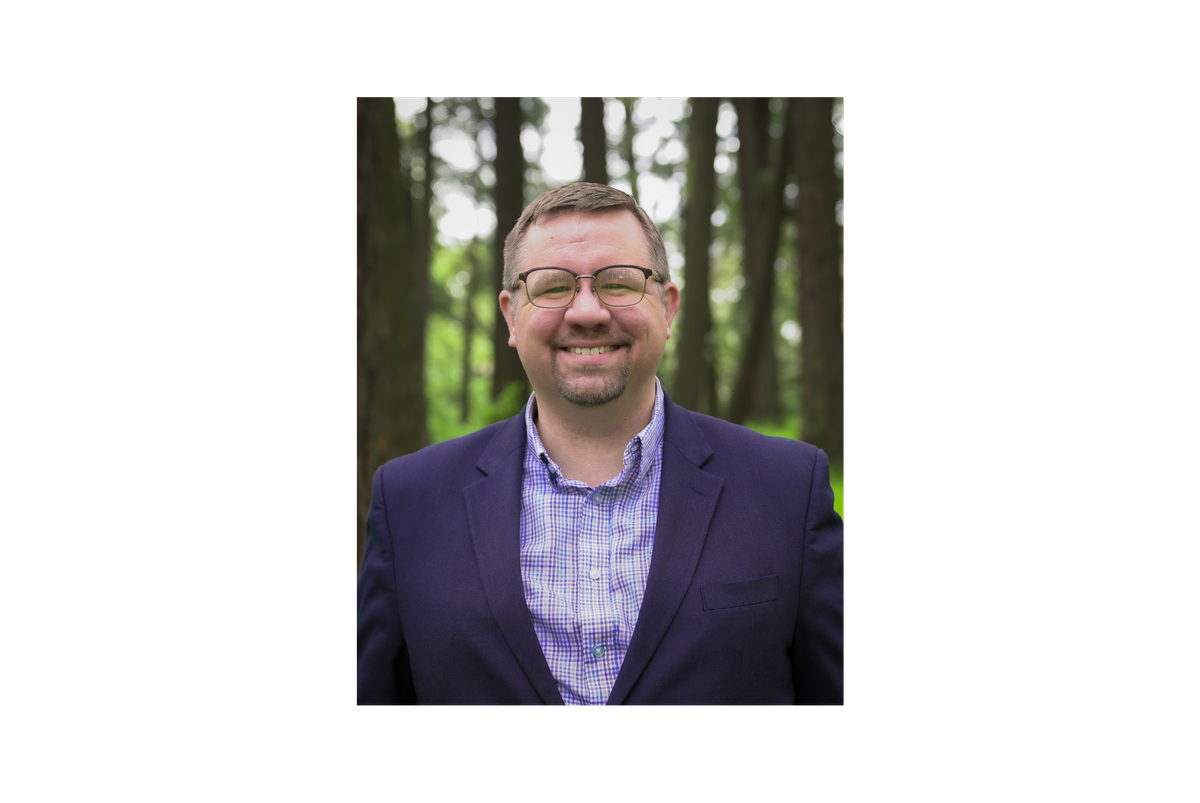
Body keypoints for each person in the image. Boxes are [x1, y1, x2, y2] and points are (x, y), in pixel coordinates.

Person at [356, 183, 843, 706]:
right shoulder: (407, 501)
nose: (587, 312)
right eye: (552, 286)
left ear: (668, 307)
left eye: (618, 282)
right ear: (511, 315)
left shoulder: (789, 489)